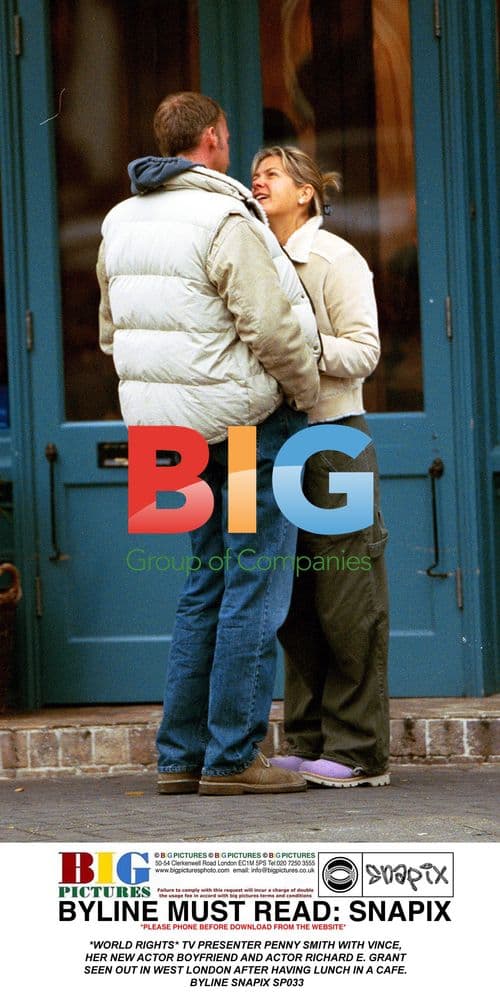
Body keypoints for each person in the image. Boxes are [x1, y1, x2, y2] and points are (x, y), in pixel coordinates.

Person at [97, 94, 320, 795]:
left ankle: (180, 757)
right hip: (242, 433)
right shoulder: (223, 216)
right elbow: (272, 328)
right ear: (216, 138)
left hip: (167, 437)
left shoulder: (120, 220)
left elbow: (110, 332)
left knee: (205, 582)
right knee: (252, 583)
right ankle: (231, 759)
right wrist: (306, 390)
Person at [251, 145, 390, 788]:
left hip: (331, 437)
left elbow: (365, 352)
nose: (258, 181)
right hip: (262, 440)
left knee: (346, 596)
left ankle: (359, 750)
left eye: (272, 173)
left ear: (307, 192)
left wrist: (297, 348)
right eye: (254, 173)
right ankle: (308, 740)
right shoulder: (252, 256)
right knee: (292, 600)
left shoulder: (336, 258)